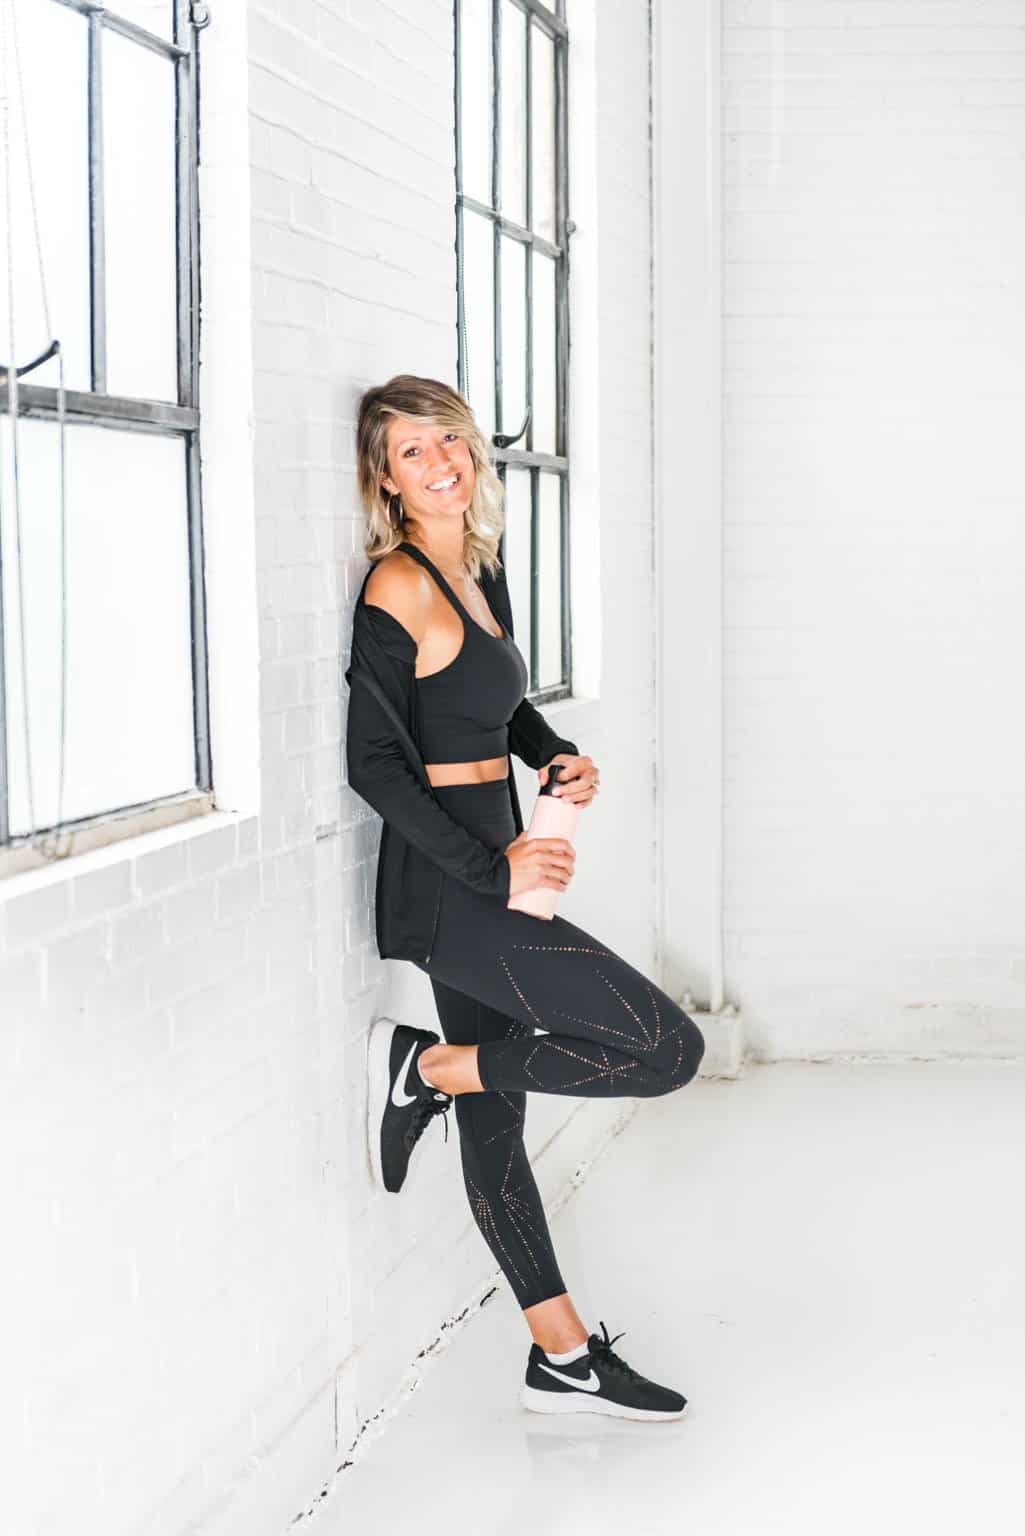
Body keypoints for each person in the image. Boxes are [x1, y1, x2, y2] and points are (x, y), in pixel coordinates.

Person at [345, 374, 706, 1421]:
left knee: (494, 1125)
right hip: (449, 887)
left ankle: (559, 1357)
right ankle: (428, 1064)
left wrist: (558, 758)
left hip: (500, 858)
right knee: (665, 1050)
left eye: (448, 441)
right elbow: (375, 766)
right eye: (413, 452)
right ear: (385, 477)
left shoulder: (477, 571)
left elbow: (500, 713)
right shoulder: (394, 588)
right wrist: (489, 873)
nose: (441, 463)